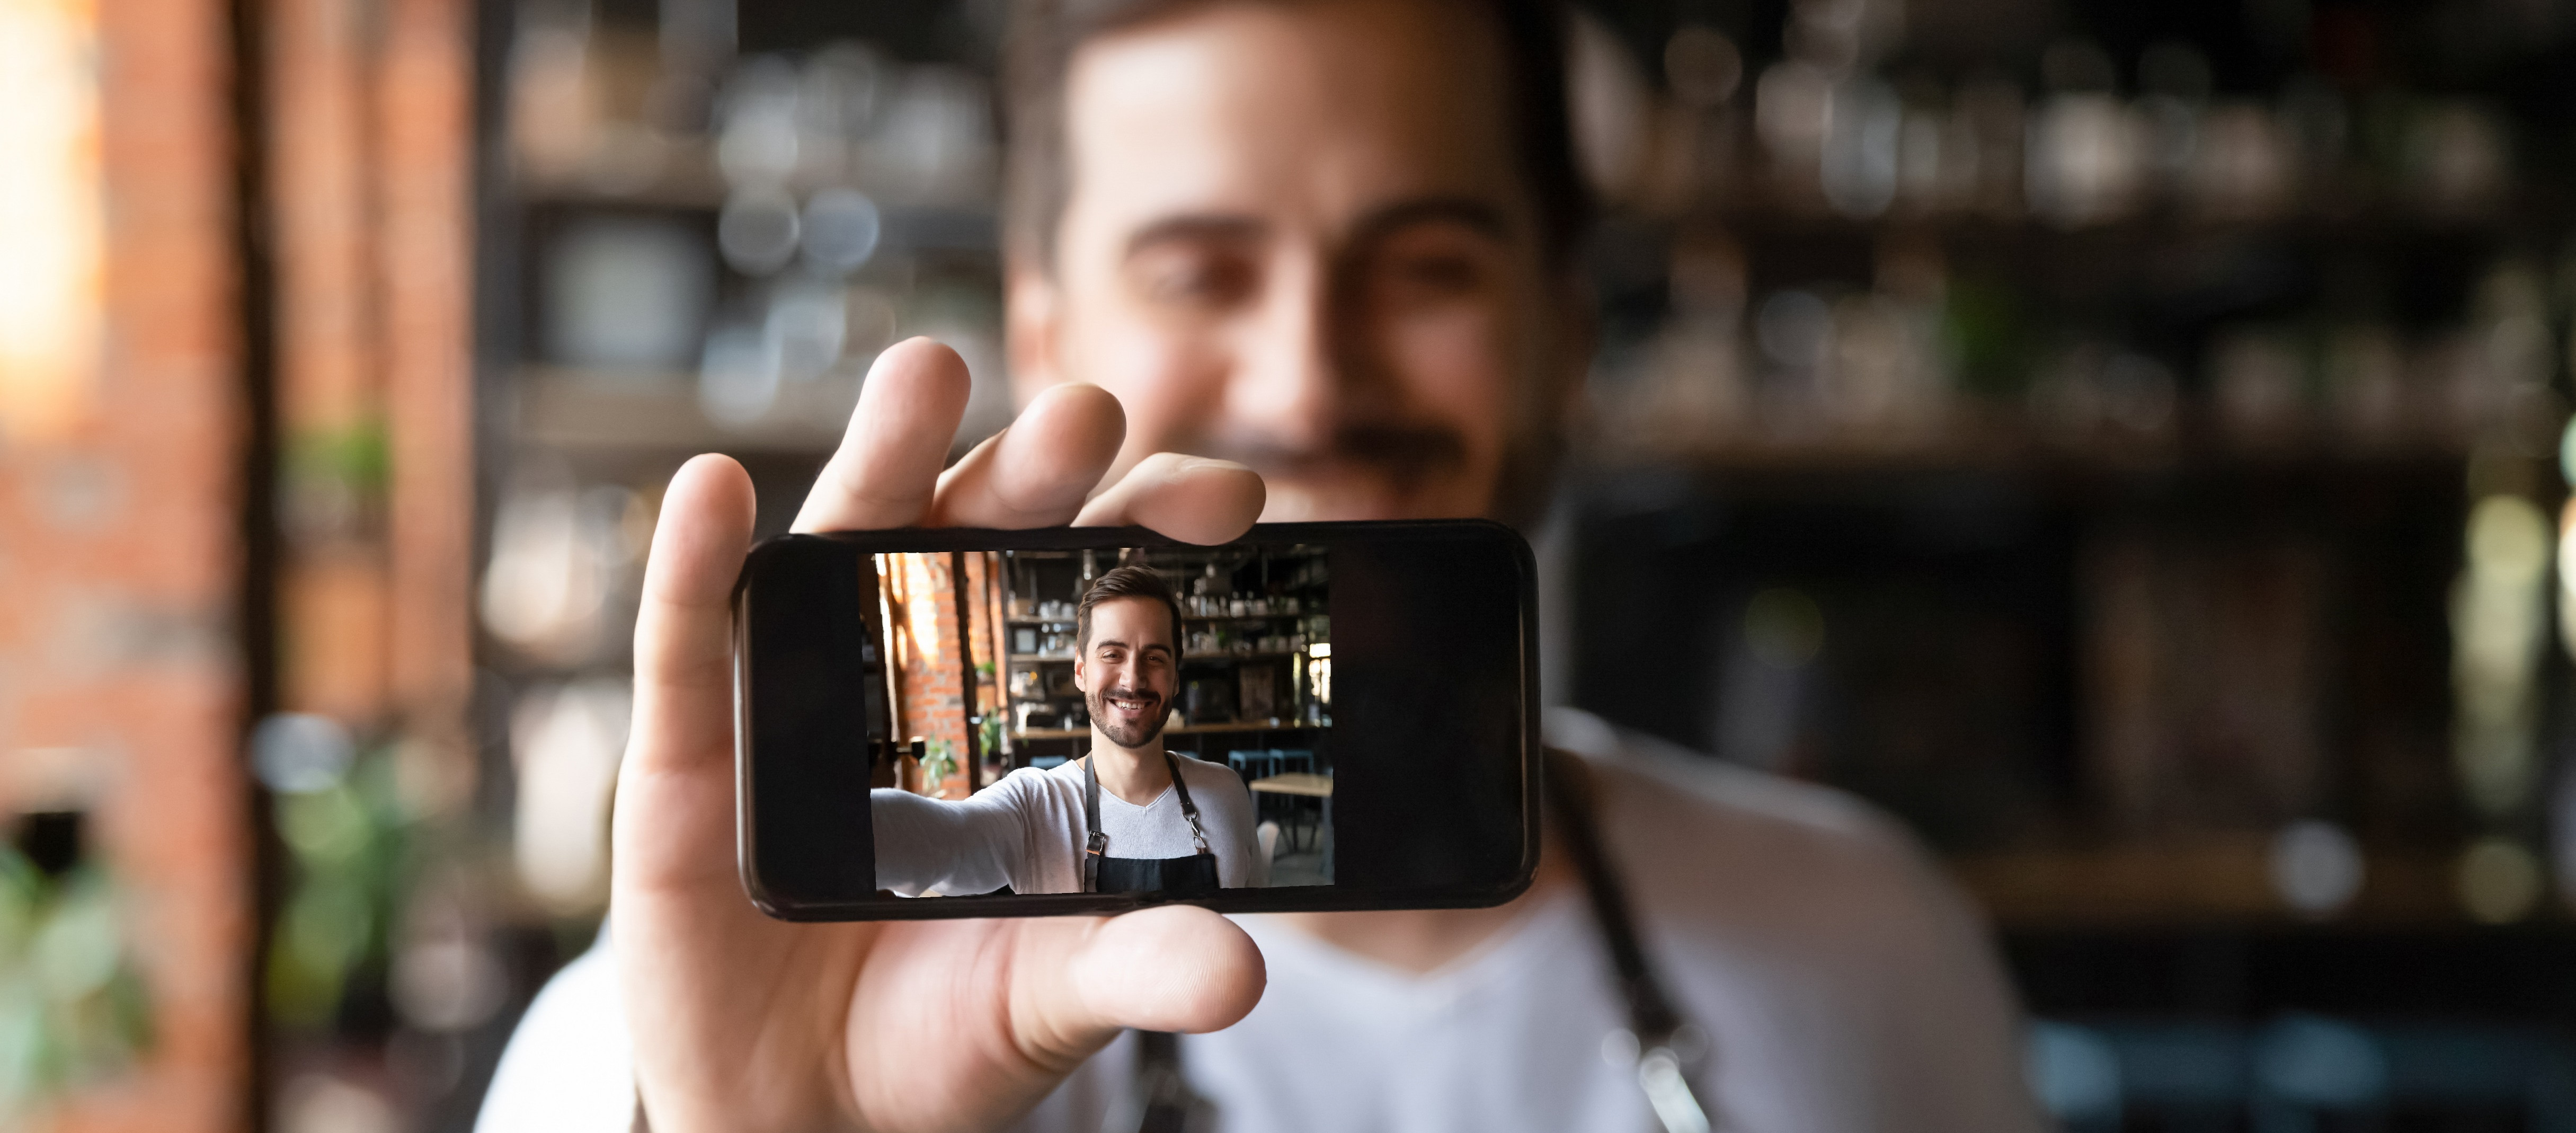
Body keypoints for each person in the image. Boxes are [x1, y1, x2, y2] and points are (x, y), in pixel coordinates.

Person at [478, 1, 2048, 1131]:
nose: (1309, 377)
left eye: (1427, 263)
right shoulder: (664, 1042)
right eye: (1202, 271)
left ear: (1563, 331)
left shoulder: (1873, 941)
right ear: (1043, 333)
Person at [870, 565, 1267, 897]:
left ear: (1176, 678)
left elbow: (1261, 938)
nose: (1133, 679)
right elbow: (943, 839)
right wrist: (838, 827)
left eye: (1155, 657)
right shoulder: (1035, 805)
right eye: (1112, 654)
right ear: (1081, 671)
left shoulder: (1227, 793)